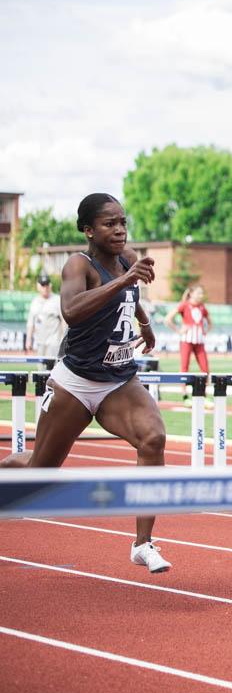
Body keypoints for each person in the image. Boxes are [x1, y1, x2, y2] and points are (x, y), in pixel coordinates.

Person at [1, 193, 170, 572]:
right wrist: (125, 279)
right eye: (110, 224)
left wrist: (143, 321)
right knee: (39, 473)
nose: (121, 230)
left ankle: (143, 543)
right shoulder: (79, 265)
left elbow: (130, 294)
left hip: (117, 380)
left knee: (153, 438)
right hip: (75, 382)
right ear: (88, 230)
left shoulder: (127, 260)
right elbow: (72, 311)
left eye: (123, 222)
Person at [165, 285, 212, 377]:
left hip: (199, 341)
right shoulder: (184, 305)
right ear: (191, 294)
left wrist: (205, 331)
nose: (201, 296)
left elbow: (210, 323)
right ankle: (183, 390)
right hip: (186, 340)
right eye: (199, 293)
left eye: (202, 293)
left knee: (205, 368)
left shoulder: (202, 307)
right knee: (184, 367)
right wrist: (178, 330)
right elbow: (168, 319)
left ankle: (203, 390)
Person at [26, 273, 66, 357]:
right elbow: (31, 323)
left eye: (47, 284)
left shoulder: (57, 300)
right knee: (40, 368)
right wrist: (28, 340)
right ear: (38, 286)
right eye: (43, 285)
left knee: (52, 368)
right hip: (40, 342)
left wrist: (64, 338)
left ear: (50, 285)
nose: (45, 287)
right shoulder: (35, 302)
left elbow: (63, 320)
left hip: (54, 342)